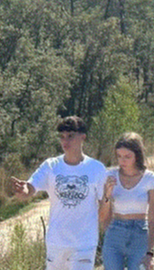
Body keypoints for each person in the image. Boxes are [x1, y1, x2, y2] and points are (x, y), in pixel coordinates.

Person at [11, 116, 108, 270]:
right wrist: (24, 191)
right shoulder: (51, 166)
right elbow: (31, 186)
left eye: (70, 136)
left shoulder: (96, 169)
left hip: (84, 243)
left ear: (82, 137)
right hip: (56, 243)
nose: (65, 142)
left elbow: (105, 205)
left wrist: (109, 234)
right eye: (62, 137)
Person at [99, 132, 154, 270]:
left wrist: (150, 252)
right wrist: (107, 193)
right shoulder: (110, 176)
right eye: (119, 156)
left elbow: (152, 218)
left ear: (137, 156)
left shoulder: (150, 179)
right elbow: (102, 216)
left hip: (140, 234)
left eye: (127, 156)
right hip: (115, 233)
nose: (122, 161)